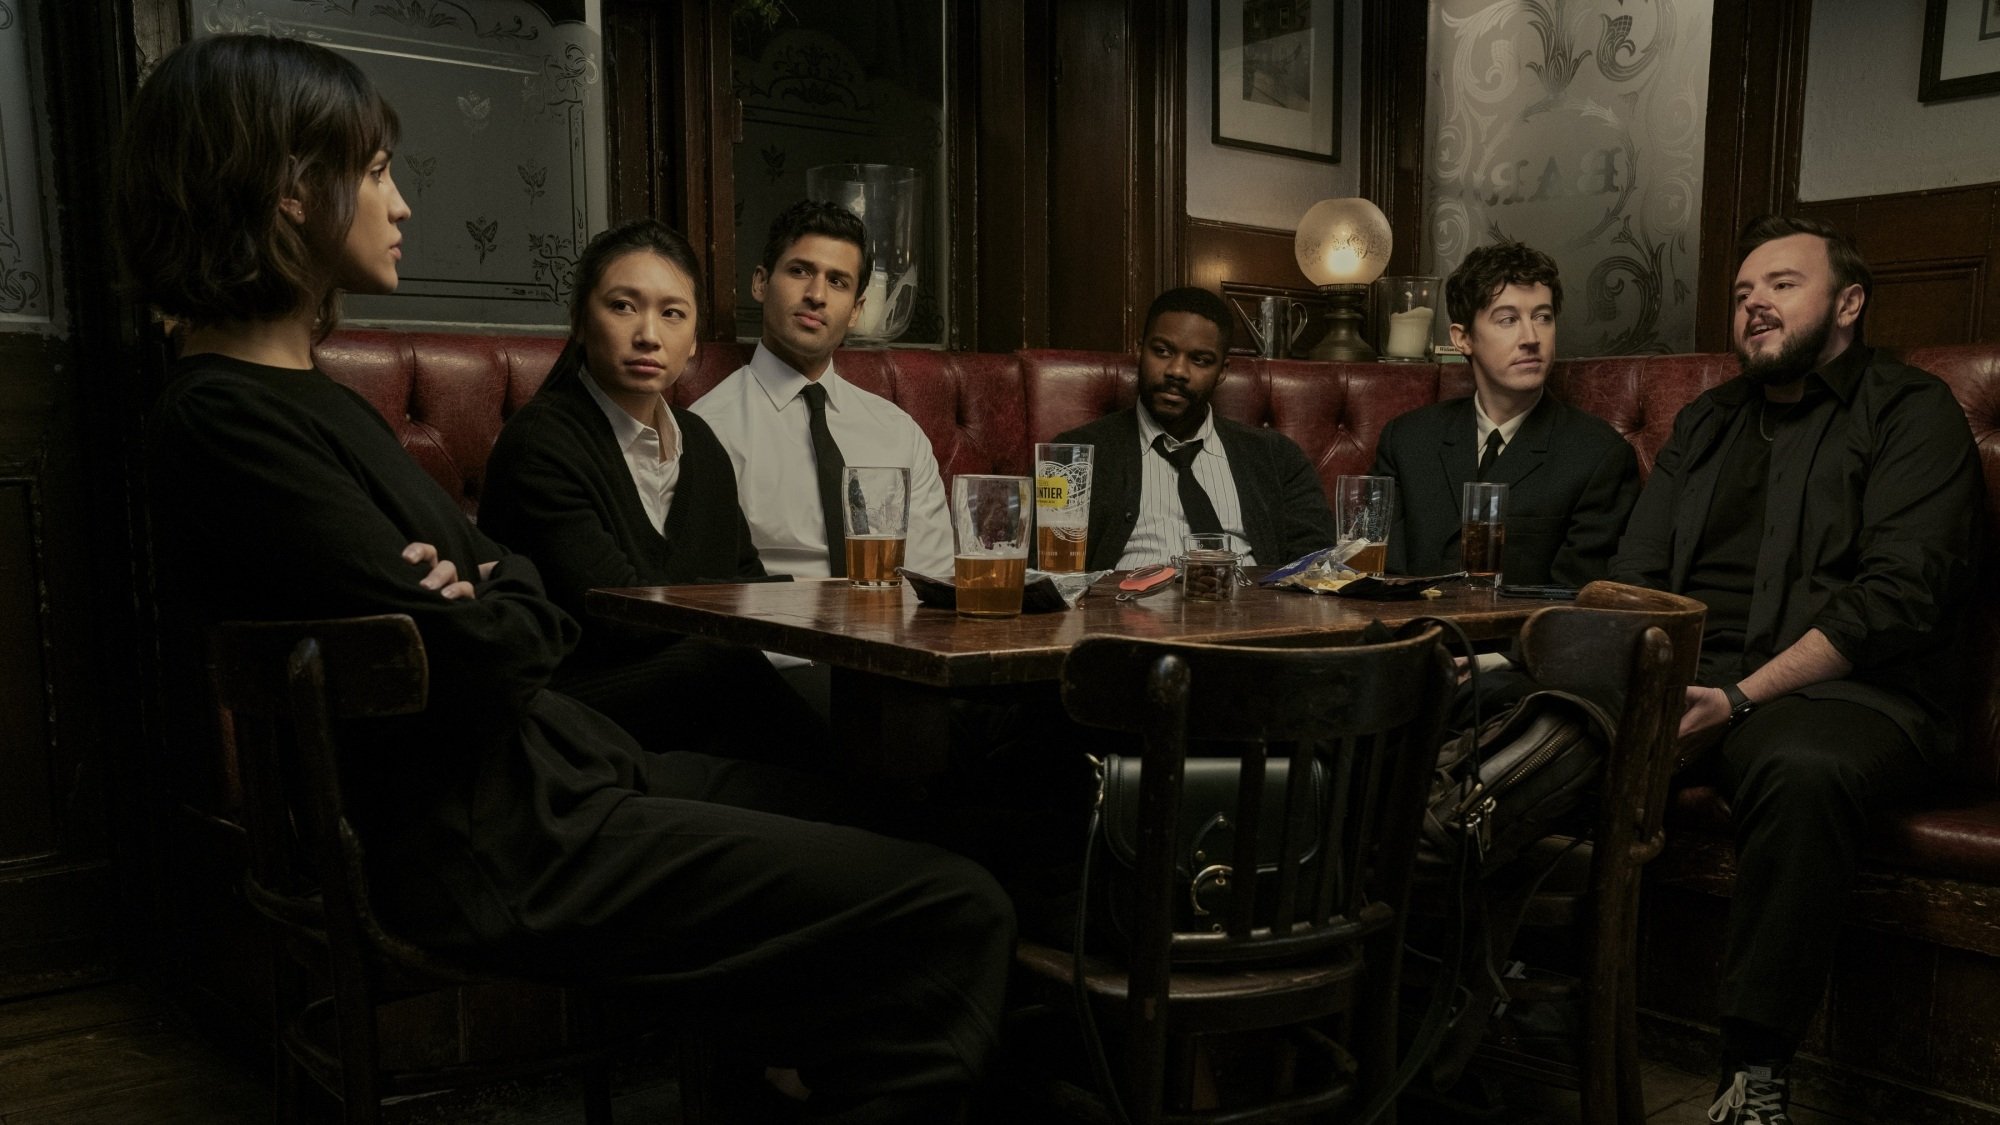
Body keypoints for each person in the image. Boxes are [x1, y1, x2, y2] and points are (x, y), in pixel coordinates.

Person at [125, 34, 1011, 1123]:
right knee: (949, 907)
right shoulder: (223, 419)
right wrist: (481, 596)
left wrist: (479, 588)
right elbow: (491, 641)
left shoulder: (311, 400)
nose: (398, 204)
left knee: (925, 826)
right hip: (494, 844)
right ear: (284, 191)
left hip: (563, 778)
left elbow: (517, 599)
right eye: (373, 170)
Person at [1610, 215, 1982, 1125]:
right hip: (1692, 687)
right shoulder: (1704, 423)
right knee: (1529, 731)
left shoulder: (1911, 410)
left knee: (1801, 763)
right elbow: (1636, 577)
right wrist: (1634, 691)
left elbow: (1898, 597)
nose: (1754, 306)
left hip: (1853, 694)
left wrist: (1737, 697)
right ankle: (1473, 982)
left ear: (1848, 303)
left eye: (1781, 285)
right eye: (1742, 294)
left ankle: (1754, 1073)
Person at [479, 219, 826, 760]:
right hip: (567, 713)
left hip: (687, 699)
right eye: (622, 306)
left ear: (692, 342)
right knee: (725, 664)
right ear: (578, 321)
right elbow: (620, 615)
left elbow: (747, 580)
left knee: (845, 692)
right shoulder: (542, 443)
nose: (648, 334)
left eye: (672, 313)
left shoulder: (700, 444)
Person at [691, 199, 953, 579]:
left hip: (892, 633)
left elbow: (933, 580)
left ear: (856, 310)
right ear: (761, 283)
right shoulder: (708, 430)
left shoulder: (899, 435)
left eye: (837, 281)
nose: (817, 294)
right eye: (800, 271)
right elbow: (706, 590)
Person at [1372, 241, 1639, 585]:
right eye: (1508, 319)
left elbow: (1577, 605)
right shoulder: (1407, 440)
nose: (1531, 337)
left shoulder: (1599, 455)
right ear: (1463, 338)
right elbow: (1379, 578)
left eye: (1543, 317)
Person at [1052, 286, 1337, 570]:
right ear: (1140, 351)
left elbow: (1316, 563)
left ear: (1222, 371)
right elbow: (1047, 573)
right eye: (1162, 351)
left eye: (1199, 360)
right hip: (1124, 610)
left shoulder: (1277, 458)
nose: (1177, 371)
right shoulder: (1075, 457)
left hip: (1248, 610)